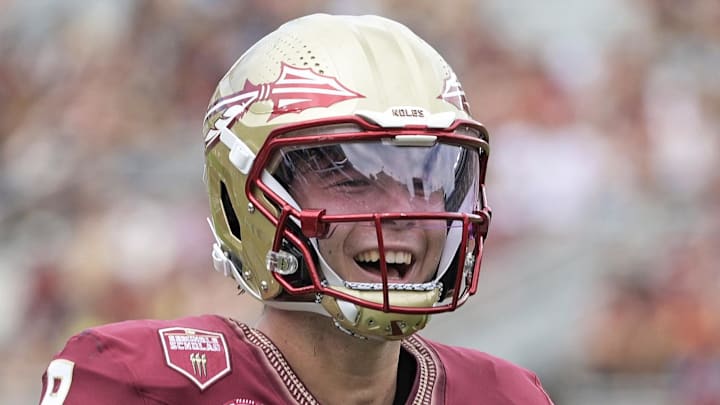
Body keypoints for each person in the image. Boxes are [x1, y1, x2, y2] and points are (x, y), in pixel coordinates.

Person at [39, 14, 553, 404]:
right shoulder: (138, 384)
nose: (403, 211)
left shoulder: (503, 394)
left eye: (427, 180)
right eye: (352, 179)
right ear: (242, 201)